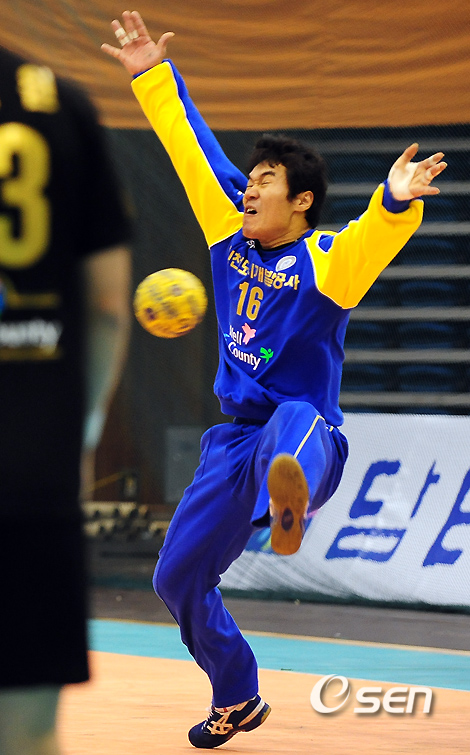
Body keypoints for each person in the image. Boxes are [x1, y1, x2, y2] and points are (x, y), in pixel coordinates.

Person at [103, 11, 446, 749]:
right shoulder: (228, 226)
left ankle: (289, 501)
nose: (249, 190)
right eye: (250, 179)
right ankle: (237, 693)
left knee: (292, 421)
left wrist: (394, 201)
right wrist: (151, 75)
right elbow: (192, 149)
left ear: (301, 202)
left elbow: (371, 236)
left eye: (266, 182)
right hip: (235, 442)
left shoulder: (328, 262)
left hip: (307, 435)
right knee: (175, 577)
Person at [0, 46, 131, 755]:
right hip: (30, 473)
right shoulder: (61, 106)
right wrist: (78, 436)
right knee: (28, 732)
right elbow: (108, 308)